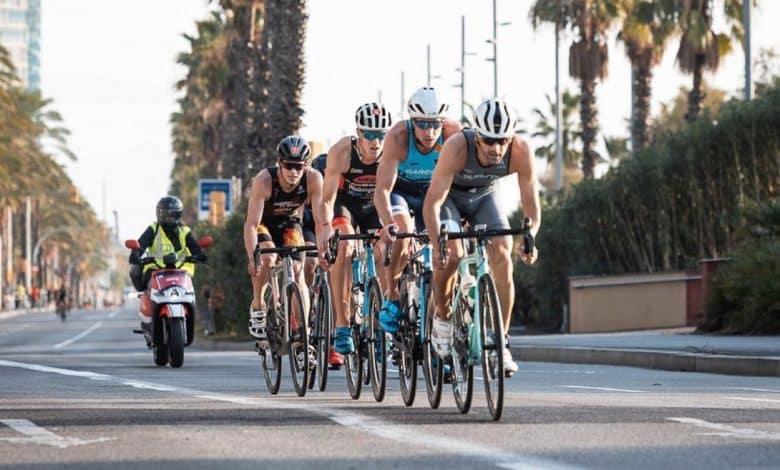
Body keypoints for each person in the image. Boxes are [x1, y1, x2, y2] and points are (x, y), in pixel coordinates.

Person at [422, 98, 541, 377]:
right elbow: (432, 204)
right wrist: (436, 243)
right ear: (477, 137)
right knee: (453, 255)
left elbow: (531, 206)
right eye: (488, 140)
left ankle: (500, 340)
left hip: (484, 198)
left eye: (502, 140)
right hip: (450, 198)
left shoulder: (521, 151)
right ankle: (442, 321)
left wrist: (531, 236)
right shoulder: (456, 148)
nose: (496, 148)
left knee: (503, 250)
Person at [373, 86, 461, 333]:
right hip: (401, 192)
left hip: (433, 193)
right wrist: (388, 222)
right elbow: (381, 191)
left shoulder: (454, 134)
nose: (430, 132)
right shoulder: (398, 136)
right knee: (404, 230)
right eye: (422, 124)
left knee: (447, 248)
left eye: (435, 124)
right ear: (412, 122)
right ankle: (391, 296)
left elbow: (461, 185)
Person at [317, 102, 392, 357]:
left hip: (373, 207)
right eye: (370, 134)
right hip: (344, 205)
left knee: (384, 248)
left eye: (381, 134)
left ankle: (382, 320)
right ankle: (341, 325)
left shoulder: (391, 153)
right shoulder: (342, 151)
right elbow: (326, 199)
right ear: (359, 133)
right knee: (345, 246)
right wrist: (326, 227)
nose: (376, 141)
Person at [244, 135, 326, 349]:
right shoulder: (264, 180)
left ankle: (303, 333)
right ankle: (258, 305)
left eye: (298, 167)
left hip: (290, 224)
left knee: (299, 272)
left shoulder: (313, 179)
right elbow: (251, 224)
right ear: (279, 164)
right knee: (268, 257)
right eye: (288, 166)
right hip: (264, 224)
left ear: (305, 167)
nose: (293, 172)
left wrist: (323, 247)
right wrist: (253, 255)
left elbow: (320, 220)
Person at [128, 196, 208, 293]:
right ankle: (146, 300)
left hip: (181, 272)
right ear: (159, 213)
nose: (170, 218)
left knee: (191, 295)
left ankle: (191, 306)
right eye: (166, 214)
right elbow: (140, 245)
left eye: (173, 214)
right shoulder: (154, 229)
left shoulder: (184, 231)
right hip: (155, 270)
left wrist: (201, 254)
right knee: (136, 272)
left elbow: (195, 249)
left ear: (179, 214)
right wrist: (135, 253)